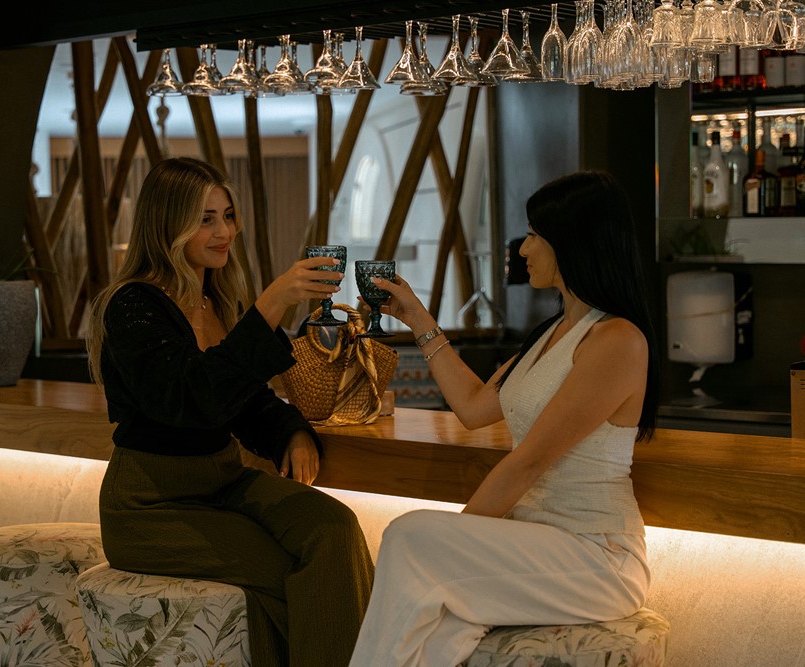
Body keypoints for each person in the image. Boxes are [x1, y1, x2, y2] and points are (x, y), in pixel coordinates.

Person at [348, 171, 660, 667]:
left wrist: (453, 542)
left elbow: (528, 463)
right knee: (435, 618)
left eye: (534, 234)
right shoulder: (551, 333)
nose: (523, 248)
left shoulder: (617, 340)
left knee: (411, 538)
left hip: (596, 557)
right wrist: (418, 319)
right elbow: (473, 407)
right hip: (532, 544)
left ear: (571, 241)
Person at [86, 157, 374, 667]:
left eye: (227, 216)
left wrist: (290, 432)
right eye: (205, 219)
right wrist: (271, 304)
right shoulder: (134, 305)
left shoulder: (216, 301)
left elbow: (245, 399)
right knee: (292, 571)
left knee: (333, 527)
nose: (224, 232)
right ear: (168, 224)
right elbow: (191, 400)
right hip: (149, 504)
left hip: (222, 480)